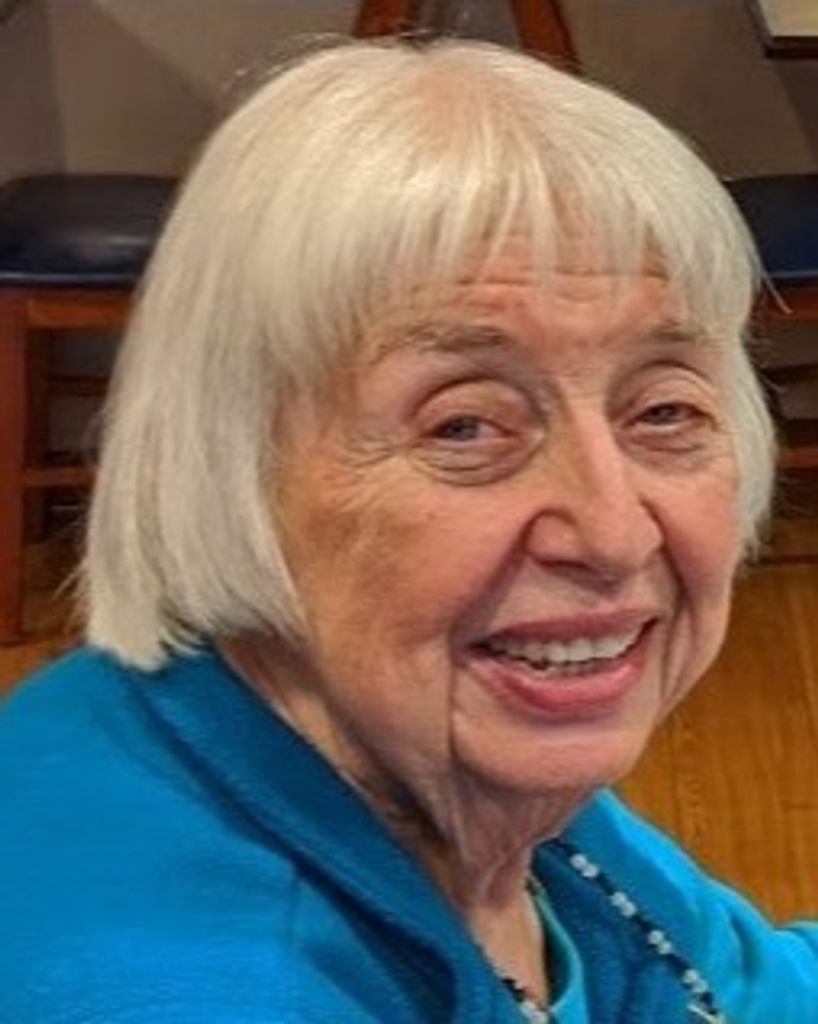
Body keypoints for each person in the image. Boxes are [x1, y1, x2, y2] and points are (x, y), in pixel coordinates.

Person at [0, 37, 815, 1024]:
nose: (612, 534)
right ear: (229, 466)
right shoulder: (202, 988)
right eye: (463, 425)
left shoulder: (431, 754)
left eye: (663, 410)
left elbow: (733, 987)